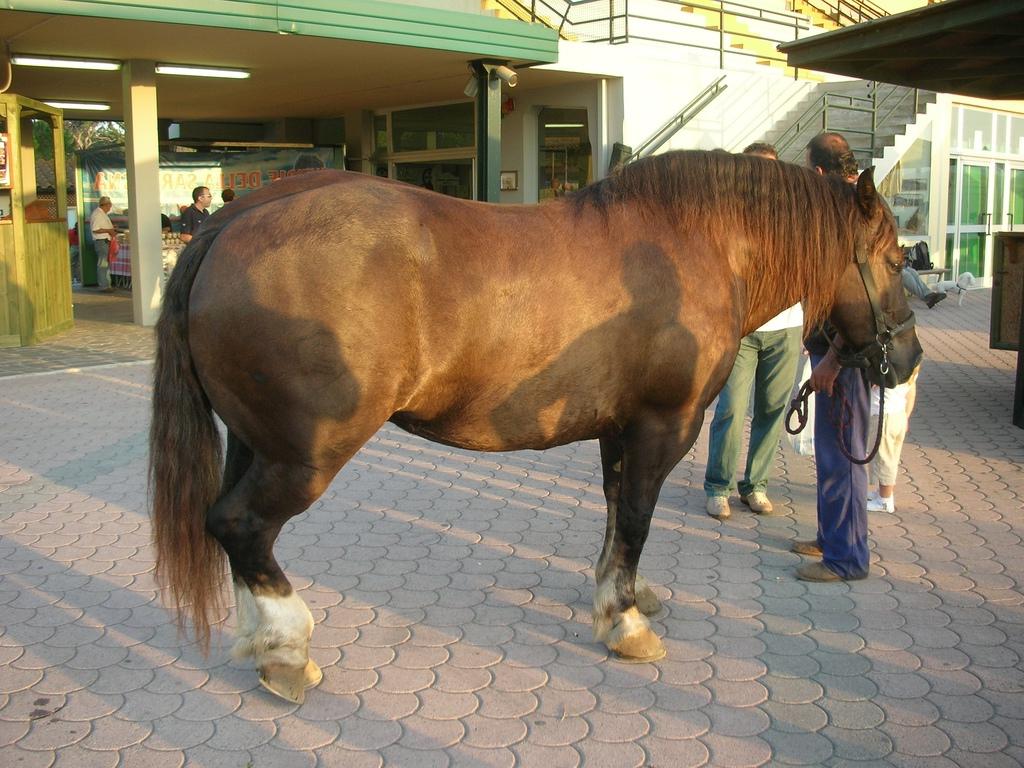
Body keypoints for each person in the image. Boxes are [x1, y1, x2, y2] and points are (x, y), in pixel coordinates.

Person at [705, 142, 803, 519]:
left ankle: (756, 485)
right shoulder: (730, 216)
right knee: (730, 408)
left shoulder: (792, 217)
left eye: (772, 170)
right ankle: (718, 486)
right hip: (742, 328)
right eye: (757, 169)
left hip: (786, 327)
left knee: (772, 409)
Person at [791, 131, 871, 582]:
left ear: (820, 172)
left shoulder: (852, 218)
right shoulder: (846, 209)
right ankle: (831, 537)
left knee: (844, 455)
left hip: (847, 358)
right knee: (829, 452)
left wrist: (831, 360)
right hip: (830, 352)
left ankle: (847, 560)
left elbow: (859, 307)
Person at [867, 365, 920, 513]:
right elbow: (912, 394)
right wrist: (906, 417)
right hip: (899, 416)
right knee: (891, 457)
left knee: (884, 460)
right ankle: (881, 493)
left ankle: (884, 500)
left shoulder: (884, 373)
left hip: (883, 417)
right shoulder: (909, 371)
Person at [89, 196, 116, 292]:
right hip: (101, 241)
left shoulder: (102, 214)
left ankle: (107, 284)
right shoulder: (98, 214)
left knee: (105, 263)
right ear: (105, 205)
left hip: (105, 241)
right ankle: (104, 285)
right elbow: (95, 229)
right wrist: (109, 230)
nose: (110, 207)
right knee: (102, 263)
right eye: (109, 205)